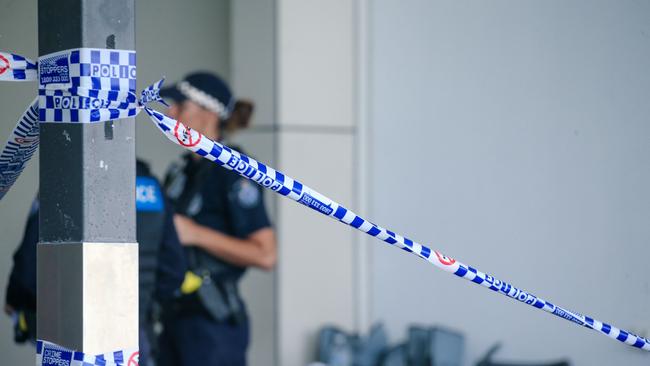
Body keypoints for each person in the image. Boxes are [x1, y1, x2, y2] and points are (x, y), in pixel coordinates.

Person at [4, 159, 186, 366]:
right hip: (135, 337)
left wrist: (19, 303)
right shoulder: (152, 187)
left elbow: (30, 263)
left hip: (75, 336)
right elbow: (173, 271)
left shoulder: (66, 181)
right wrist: (140, 304)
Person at [157, 72, 277, 366]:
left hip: (212, 323)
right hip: (173, 316)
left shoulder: (233, 168)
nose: (170, 113)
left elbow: (266, 254)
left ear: (209, 113)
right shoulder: (182, 170)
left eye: (181, 106)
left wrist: (195, 233)